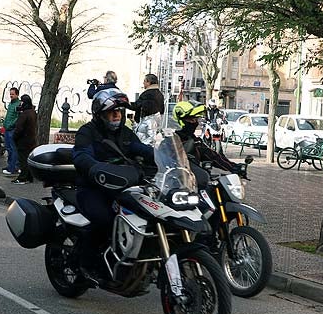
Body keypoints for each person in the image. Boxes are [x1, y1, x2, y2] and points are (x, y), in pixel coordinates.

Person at [71, 89, 154, 280]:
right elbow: (81, 154)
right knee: (105, 219)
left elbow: (141, 149)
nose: (117, 115)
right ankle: (87, 263)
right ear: (100, 114)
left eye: (120, 111)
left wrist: (162, 156)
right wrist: (93, 167)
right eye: (112, 111)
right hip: (93, 188)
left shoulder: (126, 133)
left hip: (122, 187)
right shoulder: (88, 132)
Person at [174, 101, 238, 175]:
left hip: (192, 181)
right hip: (173, 181)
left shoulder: (196, 142)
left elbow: (214, 157)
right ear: (181, 120)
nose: (195, 122)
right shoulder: (169, 142)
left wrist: (234, 167)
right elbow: (160, 159)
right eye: (191, 119)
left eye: (195, 119)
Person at [12, 95, 37, 185]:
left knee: (23, 160)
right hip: (31, 140)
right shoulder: (33, 112)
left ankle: (23, 178)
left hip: (23, 141)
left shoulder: (24, 114)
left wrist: (14, 137)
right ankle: (29, 177)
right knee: (28, 159)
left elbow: (19, 129)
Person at [1, 87, 21, 176]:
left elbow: (17, 118)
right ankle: (10, 165)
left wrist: (10, 125)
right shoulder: (10, 104)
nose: (11, 96)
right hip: (7, 129)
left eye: (12, 94)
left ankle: (13, 168)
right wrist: (4, 125)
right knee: (8, 149)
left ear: (17, 94)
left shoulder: (18, 105)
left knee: (13, 149)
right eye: (10, 94)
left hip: (12, 130)